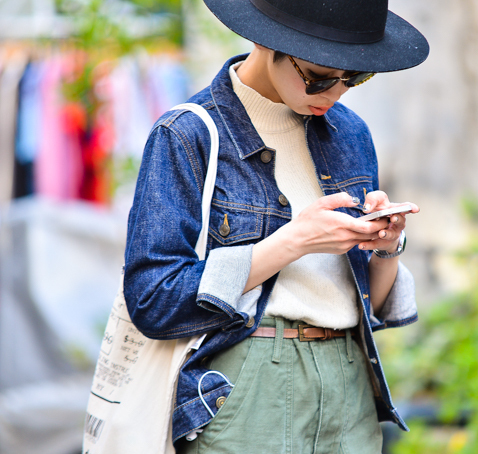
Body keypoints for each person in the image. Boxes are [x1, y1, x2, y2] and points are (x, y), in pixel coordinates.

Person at [123, 0, 429, 452]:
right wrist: (293, 242)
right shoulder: (188, 134)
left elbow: (369, 302)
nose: (336, 93)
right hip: (248, 384)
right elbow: (153, 299)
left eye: (356, 77)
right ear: (267, 43)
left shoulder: (351, 133)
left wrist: (384, 247)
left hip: (351, 382)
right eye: (321, 77)